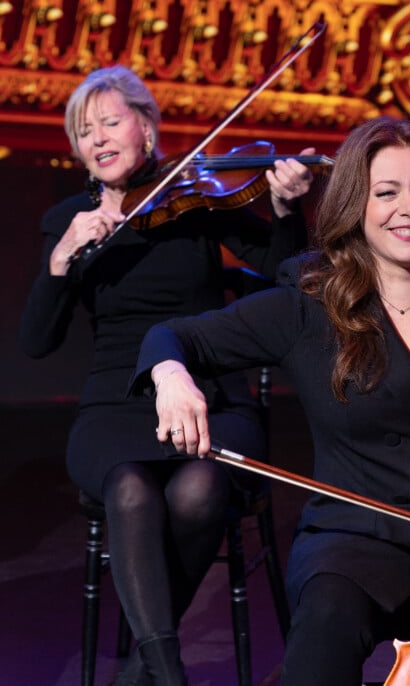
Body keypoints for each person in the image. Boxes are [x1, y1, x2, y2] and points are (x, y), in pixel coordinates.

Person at [129, 115, 410, 686]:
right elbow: (174, 338)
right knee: (323, 634)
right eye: (386, 192)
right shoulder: (308, 305)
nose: (409, 209)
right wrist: (172, 378)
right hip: (358, 539)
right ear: (353, 206)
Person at [19, 64, 316, 685]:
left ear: (146, 128)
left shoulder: (196, 197)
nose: (96, 138)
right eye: (82, 130)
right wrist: (61, 257)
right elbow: (36, 343)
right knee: (128, 486)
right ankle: (166, 672)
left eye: (109, 121)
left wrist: (287, 206)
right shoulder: (71, 220)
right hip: (115, 405)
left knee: (200, 488)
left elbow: (290, 271)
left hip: (207, 393)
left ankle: (141, 672)